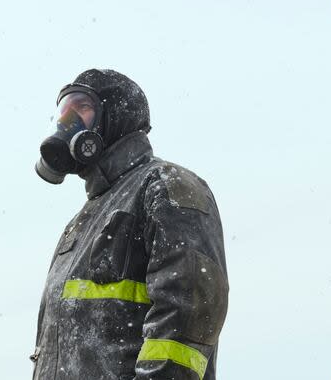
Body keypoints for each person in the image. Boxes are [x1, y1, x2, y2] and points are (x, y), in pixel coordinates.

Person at [32, 69, 228, 380]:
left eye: (82, 108)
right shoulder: (82, 221)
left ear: (117, 117)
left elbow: (189, 314)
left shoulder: (166, 186)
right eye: (63, 113)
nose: (68, 124)